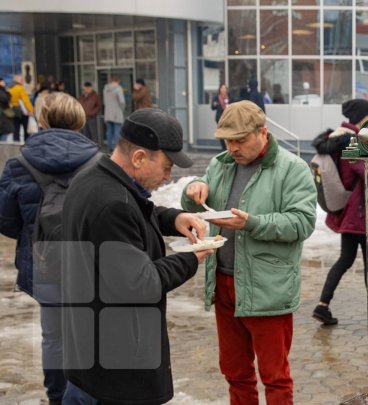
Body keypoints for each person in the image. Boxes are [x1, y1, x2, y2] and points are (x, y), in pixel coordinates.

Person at [60, 108, 214, 404]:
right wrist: (192, 258)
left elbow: (136, 216)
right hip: (116, 373)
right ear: (139, 157)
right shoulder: (113, 202)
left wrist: (173, 218)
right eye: (167, 166)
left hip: (89, 357)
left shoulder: (94, 179)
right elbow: (140, 283)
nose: (170, 175)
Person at [181, 100, 316, 405]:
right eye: (228, 140)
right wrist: (193, 188)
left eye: (240, 140)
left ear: (262, 133)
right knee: (235, 371)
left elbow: (302, 222)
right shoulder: (220, 164)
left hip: (268, 289)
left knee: (275, 376)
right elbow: (196, 206)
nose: (233, 148)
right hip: (224, 285)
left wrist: (251, 223)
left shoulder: (292, 169)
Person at [0, 92, 100, 405]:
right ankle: (86, 395)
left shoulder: (19, 163)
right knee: (89, 333)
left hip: (43, 263)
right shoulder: (99, 162)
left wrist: (34, 235)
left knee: (54, 336)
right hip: (90, 263)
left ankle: (57, 396)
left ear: (43, 120)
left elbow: (5, 220)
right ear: (80, 121)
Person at [311, 98, 368, 325]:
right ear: (363, 117)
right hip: (360, 213)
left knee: (346, 259)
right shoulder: (352, 141)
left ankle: (323, 306)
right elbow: (366, 172)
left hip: (350, 212)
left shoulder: (337, 137)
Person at [103, 76, 125, 152]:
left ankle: (109, 148)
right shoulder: (118, 88)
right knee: (117, 131)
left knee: (109, 131)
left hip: (108, 113)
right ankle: (117, 149)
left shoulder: (106, 88)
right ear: (118, 81)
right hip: (116, 113)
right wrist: (122, 109)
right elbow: (122, 101)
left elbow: (104, 101)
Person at [8, 74, 33, 142]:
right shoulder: (20, 88)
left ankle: (16, 143)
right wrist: (31, 110)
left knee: (16, 129)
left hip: (13, 111)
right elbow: (26, 101)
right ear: (17, 80)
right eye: (21, 79)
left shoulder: (9, 88)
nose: (22, 81)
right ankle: (26, 144)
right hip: (22, 112)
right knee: (26, 130)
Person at [211, 83, 231, 150]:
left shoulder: (229, 96)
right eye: (222, 88)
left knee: (228, 133)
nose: (223, 90)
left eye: (225, 88)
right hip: (220, 118)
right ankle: (224, 149)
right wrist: (215, 105)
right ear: (220, 89)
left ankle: (229, 148)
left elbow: (235, 102)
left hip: (228, 118)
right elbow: (212, 107)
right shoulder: (217, 97)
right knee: (222, 134)